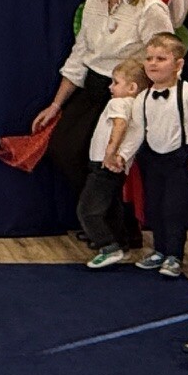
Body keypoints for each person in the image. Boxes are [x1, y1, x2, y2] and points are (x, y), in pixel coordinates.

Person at [33, 0, 175, 207]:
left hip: (127, 93)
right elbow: (80, 55)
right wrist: (55, 105)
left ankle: (111, 223)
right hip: (93, 87)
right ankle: (98, 215)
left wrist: (154, 106)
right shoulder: (93, 3)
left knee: (106, 160)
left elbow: (164, 60)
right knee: (64, 149)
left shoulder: (150, 8)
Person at [134, 33, 188, 280]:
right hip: (152, 160)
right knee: (154, 207)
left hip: (180, 160)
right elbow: (136, 131)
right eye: (149, 58)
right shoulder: (143, 97)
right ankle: (159, 250)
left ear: (178, 64)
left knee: (174, 209)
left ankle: (174, 254)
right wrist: (122, 156)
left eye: (161, 59)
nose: (153, 63)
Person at [78, 57, 148, 269]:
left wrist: (110, 152)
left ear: (132, 88)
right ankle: (122, 245)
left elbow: (120, 124)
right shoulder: (137, 107)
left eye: (116, 82)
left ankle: (108, 246)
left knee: (88, 210)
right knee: (111, 208)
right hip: (117, 168)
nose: (110, 87)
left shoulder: (117, 103)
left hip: (104, 165)